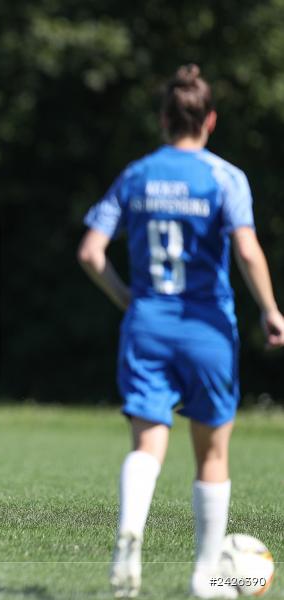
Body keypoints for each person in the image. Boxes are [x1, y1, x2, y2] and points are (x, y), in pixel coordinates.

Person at [78, 64, 284, 599]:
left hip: (148, 323)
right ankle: (204, 577)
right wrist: (271, 309)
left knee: (148, 443)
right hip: (207, 328)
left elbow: (91, 252)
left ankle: (129, 539)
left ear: (164, 118)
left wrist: (129, 300)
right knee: (212, 454)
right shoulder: (225, 177)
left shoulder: (138, 174)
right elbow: (245, 248)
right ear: (210, 120)